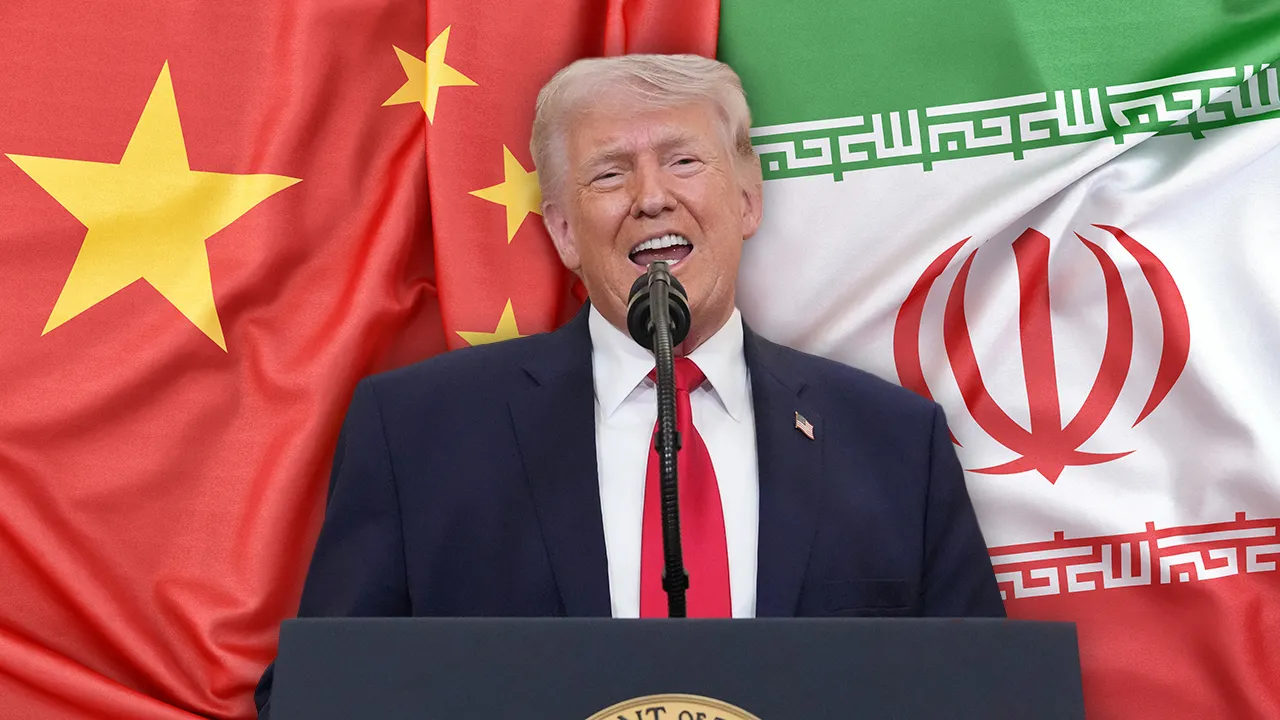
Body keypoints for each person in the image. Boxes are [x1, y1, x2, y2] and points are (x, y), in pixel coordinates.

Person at [254, 54, 1003, 715]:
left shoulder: (894, 442)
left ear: (748, 200)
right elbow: (322, 693)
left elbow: (983, 694)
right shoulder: (418, 433)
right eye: (610, 173)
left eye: (684, 161)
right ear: (563, 232)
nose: (651, 197)